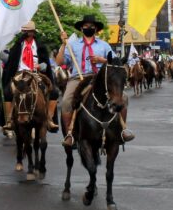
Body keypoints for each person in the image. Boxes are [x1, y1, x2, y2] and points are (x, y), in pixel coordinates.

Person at [55, 13, 134, 147]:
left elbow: (116, 63)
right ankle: (70, 134)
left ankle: (122, 130)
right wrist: (63, 45)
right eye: (86, 26)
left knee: (124, 98)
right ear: (81, 28)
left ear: (96, 29)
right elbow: (59, 62)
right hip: (78, 78)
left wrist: (101, 60)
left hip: (99, 78)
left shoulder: (104, 45)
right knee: (66, 102)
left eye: (91, 26)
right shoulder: (72, 45)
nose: (89, 28)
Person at [1, 21, 59, 132]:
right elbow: (10, 61)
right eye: (25, 31)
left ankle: (49, 119)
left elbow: (46, 63)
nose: (27, 34)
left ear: (33, 32)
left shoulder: (40, 46)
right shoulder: (17, 46)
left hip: (36, 73)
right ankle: (9, 120)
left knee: (54, 92)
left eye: (29, 31)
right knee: (7, 92)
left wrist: (40, 66)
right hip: (20, 74)